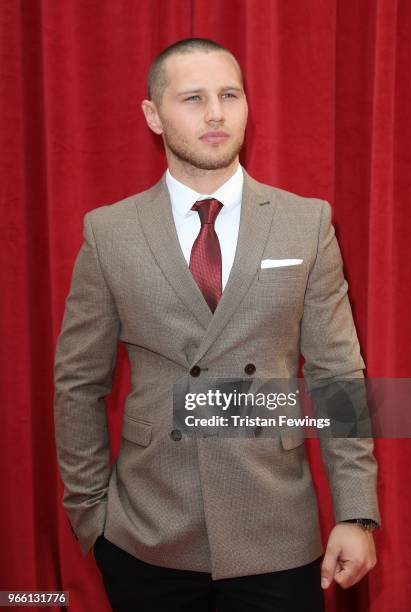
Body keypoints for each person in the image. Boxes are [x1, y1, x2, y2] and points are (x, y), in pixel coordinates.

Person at [54, 37, 381, 612]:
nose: (215, 113)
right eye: (193, 98)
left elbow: (337, 375)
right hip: (145, 534)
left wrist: (356, 512)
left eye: (230, 95)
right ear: (153, 116)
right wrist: (91, 515)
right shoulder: (110, 233)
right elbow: (79, 383)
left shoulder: (306, 223)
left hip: (276, 530)